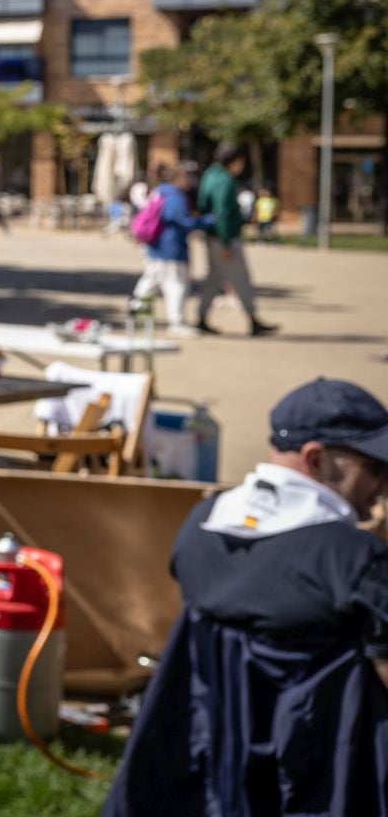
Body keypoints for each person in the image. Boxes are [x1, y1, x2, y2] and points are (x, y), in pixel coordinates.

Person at [102, 377, 388, 816]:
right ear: (316, 458)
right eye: (376, 468)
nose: (383, 485)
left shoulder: (201, 525)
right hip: (324, 774)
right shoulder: (353, 559)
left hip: (214, 762)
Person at [192, 142, 276, 337]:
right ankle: (253, 319)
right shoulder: (225, 180)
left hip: (212, 237)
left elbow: (203, 204)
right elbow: (222, 212)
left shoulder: (209, 174)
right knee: (241, 279)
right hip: (225, 238)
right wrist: (226, 242)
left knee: (213, 280)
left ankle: (201, 318)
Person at [130, 162, 205, 339]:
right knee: (176, 286)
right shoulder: (175, 196)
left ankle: (135, 311)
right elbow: (181, 219)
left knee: (150, 280)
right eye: (187, 176)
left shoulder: (159, 192)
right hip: (171, 247)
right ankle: (177, 323)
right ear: (178, 177)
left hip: (156, 246)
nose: (191, 180)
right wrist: (207, 221)